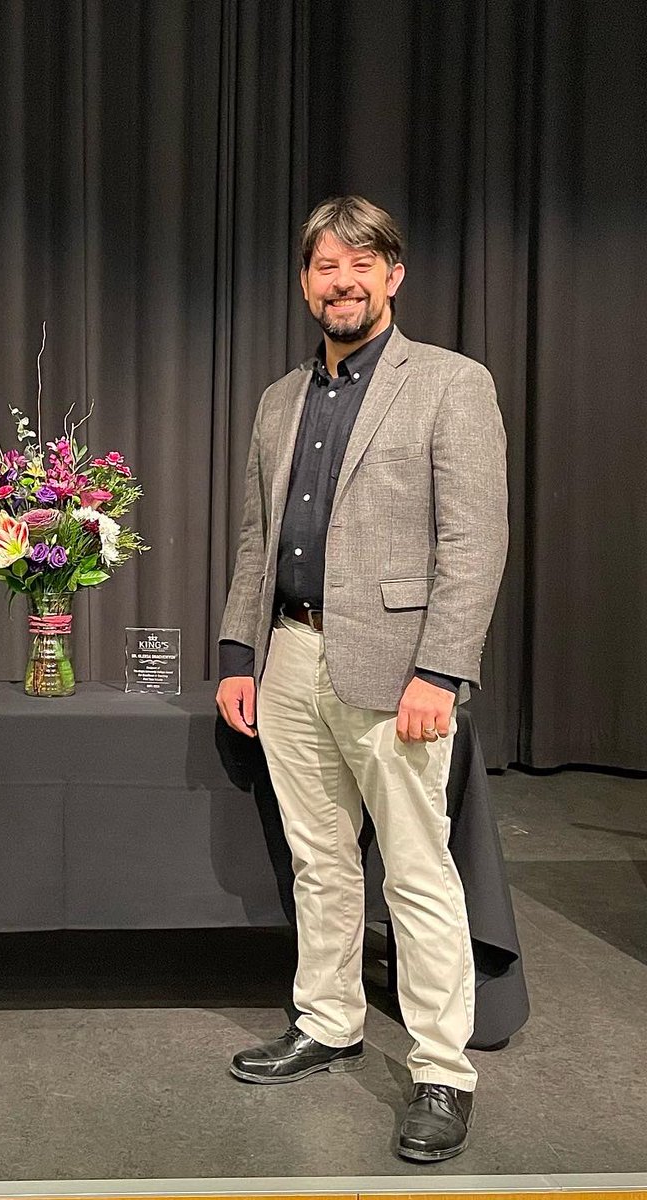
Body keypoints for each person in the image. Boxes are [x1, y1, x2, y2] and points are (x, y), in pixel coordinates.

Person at [216, 196, 507, 1163]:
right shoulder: (277, 400)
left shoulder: (451, 384)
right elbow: (259, 539)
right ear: (305, 283)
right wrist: (236, 653)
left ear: (394, 273)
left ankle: (439, 1071)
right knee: (320, 862)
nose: (339, 281)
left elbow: (474, 544)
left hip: (401, 669)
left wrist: (442, 669)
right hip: (291, 655)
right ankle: (328, 1023)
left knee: (420, 872)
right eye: (322, 267)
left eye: (359, 263)